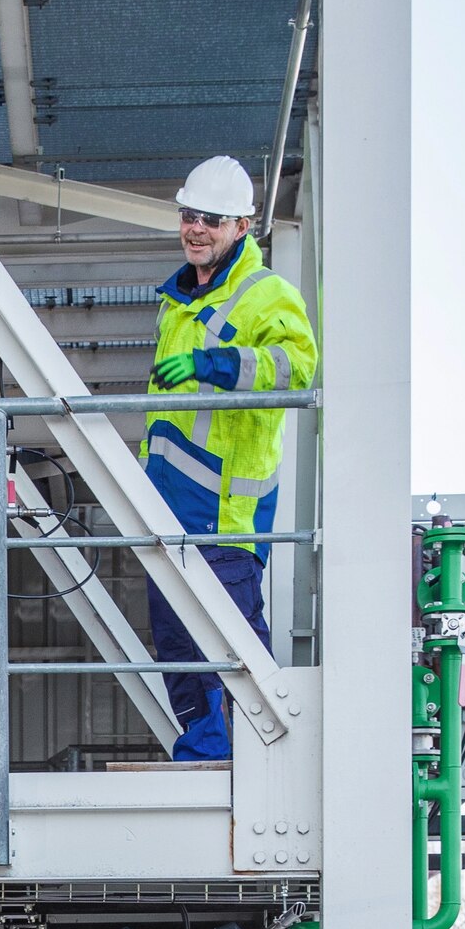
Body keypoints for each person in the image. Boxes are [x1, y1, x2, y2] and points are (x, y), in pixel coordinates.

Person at [142, 154, 317, 760]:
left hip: (225, 513)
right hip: (166, 507)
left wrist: (214, 364)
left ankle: (253, 757)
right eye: (190, 215)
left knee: (232, 640)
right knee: (176, 639)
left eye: (212, 220)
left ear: (242, 227)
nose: (196, 228)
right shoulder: (176, 301)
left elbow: (298, 369)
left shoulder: (267, 294)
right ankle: (204, 748)